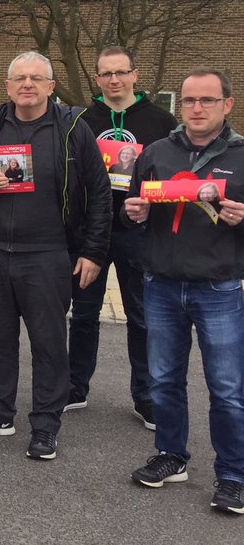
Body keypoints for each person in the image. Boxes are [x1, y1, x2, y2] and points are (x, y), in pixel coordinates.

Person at [0, 51, 111, 461]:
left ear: (50, 87)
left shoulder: (73, 128)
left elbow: (99, 193)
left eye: (36, 78)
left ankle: (45, 424)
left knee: (48, 343)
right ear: (8, 86)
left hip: (48, 255)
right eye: (19, 78)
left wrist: (93, 251)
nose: (27, 84)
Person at [124, 68, 244, 514]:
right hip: (161, 283)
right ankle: (171, 456)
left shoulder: (241, 155)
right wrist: (133, 214)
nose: (196, 108)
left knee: (227, 388)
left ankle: (233, 475)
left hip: (219, 287)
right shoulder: (157, 152)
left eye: (206, 100)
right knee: (164, 379)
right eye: (189, 100)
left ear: (226, 104)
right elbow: (133, 210)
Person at [67, 46, 176, 427]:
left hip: (140, 230)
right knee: (84, 313)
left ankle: (146, 395)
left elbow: (173, 172)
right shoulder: (81, 120)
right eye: (106, 74)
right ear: (97, 79)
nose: (114, 80)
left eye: (120, 72)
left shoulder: (161, 120)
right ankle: (75, 387)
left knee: (141, 317)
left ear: (135, 75)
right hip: (91, 231)